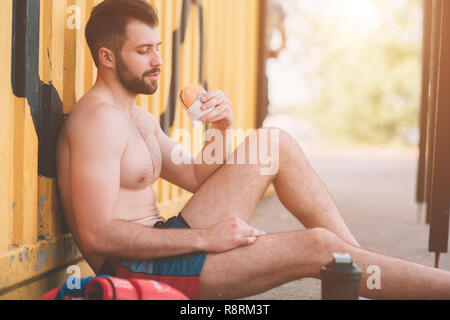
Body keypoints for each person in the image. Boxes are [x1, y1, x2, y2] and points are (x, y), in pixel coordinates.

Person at [56, 0, 450, 300]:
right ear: (106, 57)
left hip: (164, 243)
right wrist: (206, 238)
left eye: (158, 47)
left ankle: (360, 266)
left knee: (272, 143)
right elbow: (97, 235)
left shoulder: (134, 117)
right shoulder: (97, 122)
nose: (158, 61)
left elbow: (195, 176)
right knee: (318, 247)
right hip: (138, 271)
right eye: (143, 51)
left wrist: (222, 128)